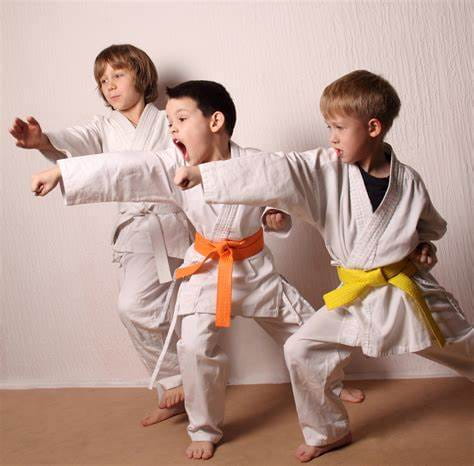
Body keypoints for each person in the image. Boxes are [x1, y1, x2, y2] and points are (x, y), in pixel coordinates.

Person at [30, 79, 365, 460]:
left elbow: (284, 195)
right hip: (207, 270)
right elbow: (125, 169)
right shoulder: (173, 165)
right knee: (193, 348)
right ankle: (204, 428)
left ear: (215, 121)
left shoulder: (255, 162)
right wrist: (63, 173)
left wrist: (274, 215)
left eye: (181, 119)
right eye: (169, 122)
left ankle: (332, 385)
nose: (171, 129)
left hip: (254, 269)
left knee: (306, 331)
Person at [174, 70, 474, 462]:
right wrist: (202, 173)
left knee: (462, 348)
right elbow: (277, 168)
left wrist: (423, 249)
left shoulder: (409, 182)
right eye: (327, 127)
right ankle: (328, 431)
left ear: (373, 127)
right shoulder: (325, 169)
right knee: (302, 347)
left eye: (338, 127)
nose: (330, 137)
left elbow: (428, 228)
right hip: (356, 296)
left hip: (405, 293)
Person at [10, 44, 192, 425]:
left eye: (118, 75)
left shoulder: (168, 119)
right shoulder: (102, 127)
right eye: (102, 80)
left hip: (173, 222)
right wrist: (42, 141)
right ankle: (175, 382)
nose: (109, 86)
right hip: (134, 231)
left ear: (142, 77)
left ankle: (189, 389)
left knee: (181, 311)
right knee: (133, 307)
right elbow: (70, 142)